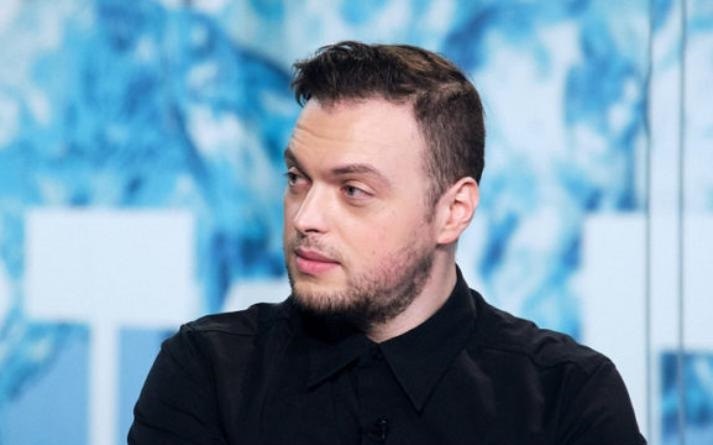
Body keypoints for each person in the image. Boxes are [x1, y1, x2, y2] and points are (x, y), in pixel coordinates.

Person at [129, 41, 646, 445]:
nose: (306, 218)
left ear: (453, 211)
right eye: (297, 179)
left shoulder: (567, 397)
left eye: (353, 190)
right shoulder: (208, 371)